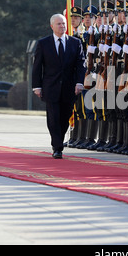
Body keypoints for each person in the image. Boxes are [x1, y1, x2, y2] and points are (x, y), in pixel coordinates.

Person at [32, 13, 86, 159]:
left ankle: (58, 141)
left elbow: (80, 65)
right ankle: (57, 147)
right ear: (52, 26)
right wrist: (36, 86)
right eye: (59, 24)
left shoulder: (75, 43)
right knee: (53, 117)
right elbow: (37, 67)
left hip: (69, 87)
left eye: (64, 24)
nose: (62, 26)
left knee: (65, 117)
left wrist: (79, 82)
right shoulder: (43, 43)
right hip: (50, 87)